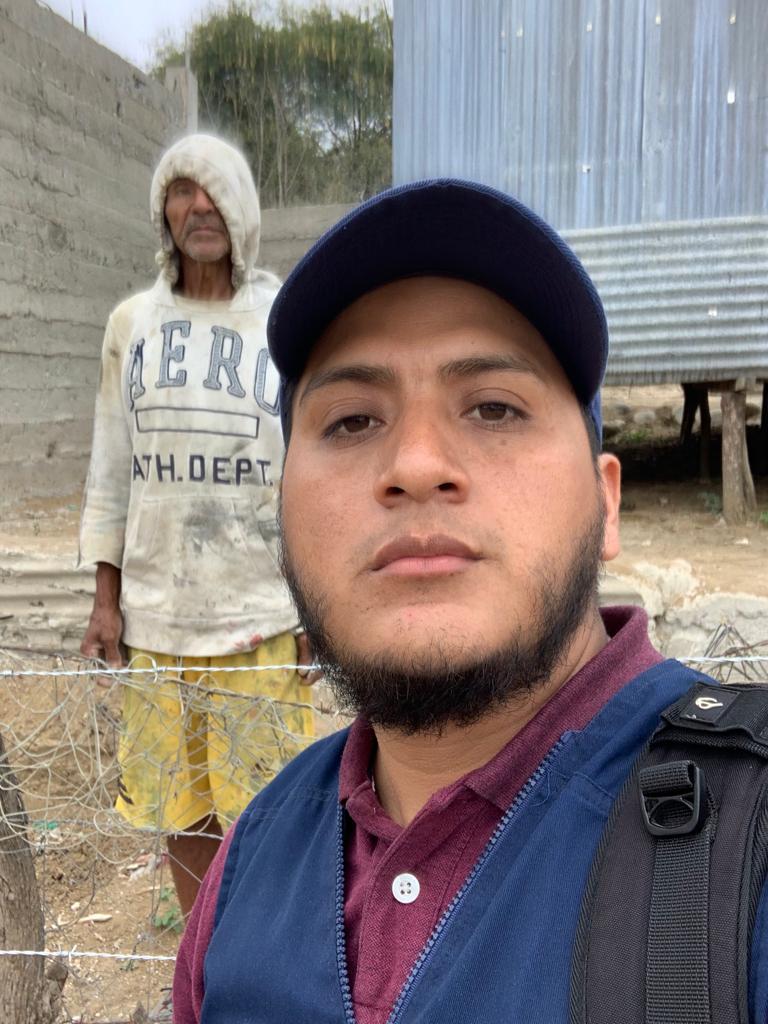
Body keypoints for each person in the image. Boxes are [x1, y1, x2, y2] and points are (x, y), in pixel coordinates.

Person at [171, 179, 768, 1023]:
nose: (416, 464)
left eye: (494, 407)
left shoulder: (751, 845)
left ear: (606, 504)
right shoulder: (249, 860)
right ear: (283, 511)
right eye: (351, 421)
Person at [78, 133, 313, 919]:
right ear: (163, 211)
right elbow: (111, 465)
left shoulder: (284, 320)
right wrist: (106, 600)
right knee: (181, 811)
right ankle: (201, 953)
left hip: (260, 618)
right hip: (158, 618)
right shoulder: (132, 324)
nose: (200, 206)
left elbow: (310, 470)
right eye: (183, 191)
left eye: (216, 191)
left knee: (268, 811)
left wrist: (311, 605)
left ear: (243, 208)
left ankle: (261, 950)